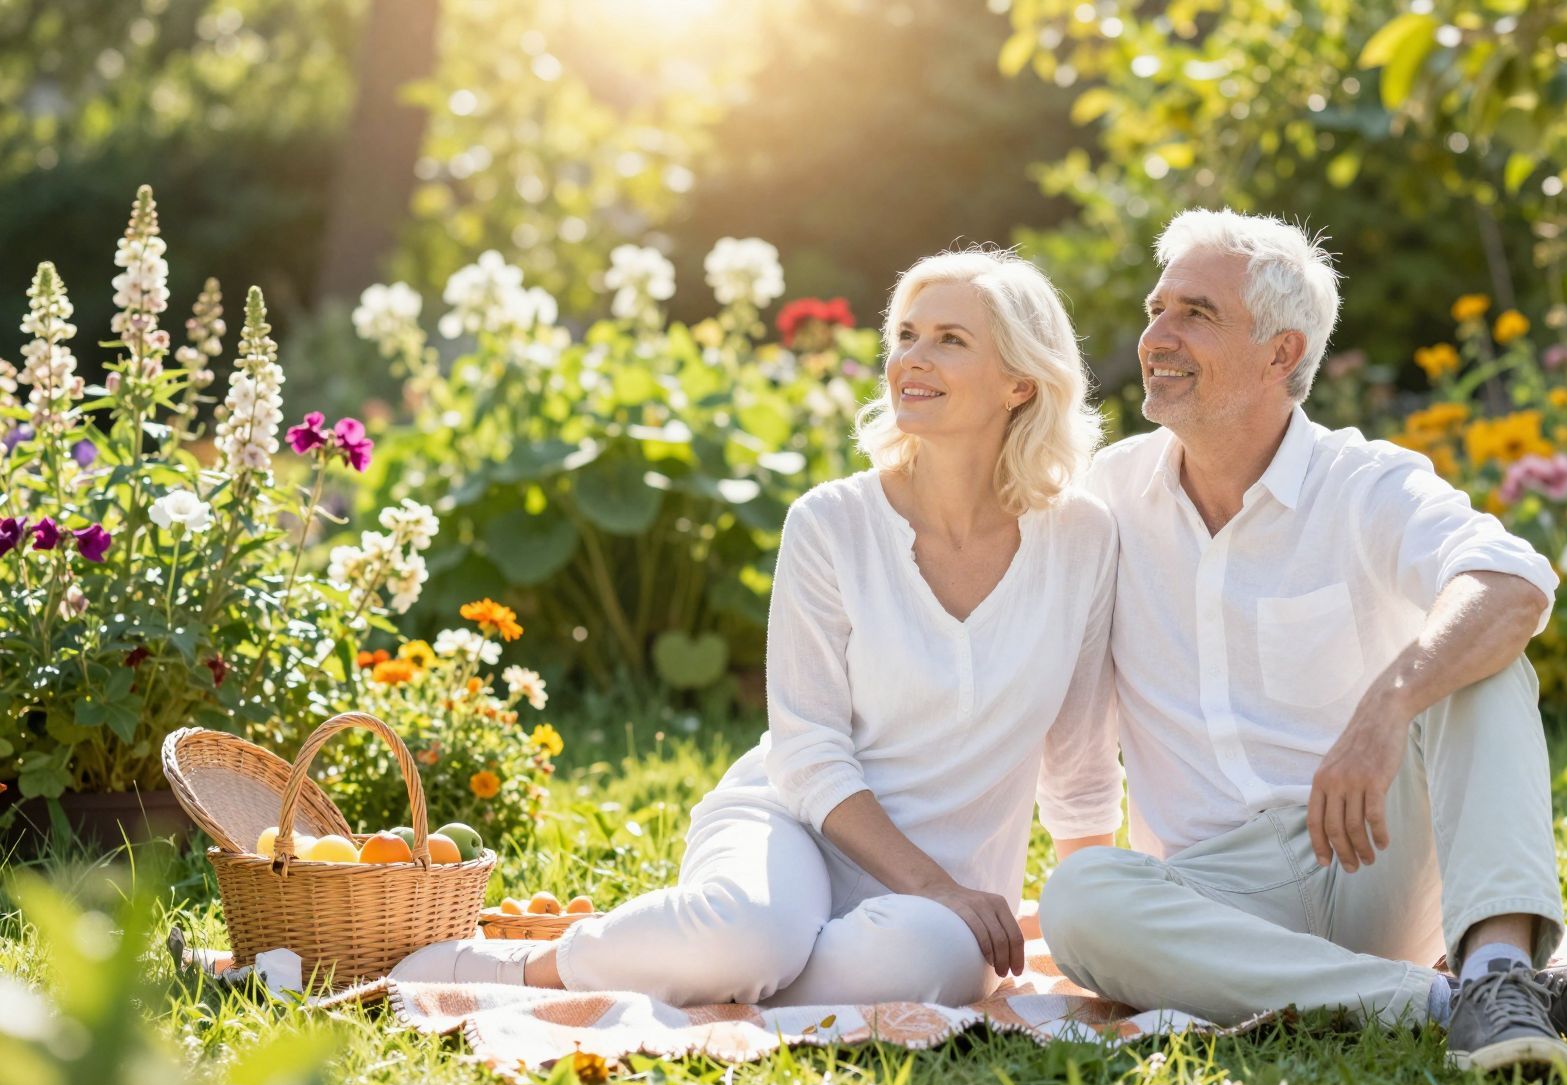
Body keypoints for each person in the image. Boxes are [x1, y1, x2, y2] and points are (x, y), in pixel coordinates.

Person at [394, 249, 1123, 1006]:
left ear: (1021, 382)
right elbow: (807, 754)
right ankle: (523, 971)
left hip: (936, 912)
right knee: (749, 934)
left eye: (950, 339)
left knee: (926, 962)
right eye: (906, 334)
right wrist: (935, 885)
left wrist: (1094, 939)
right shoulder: (833, 521)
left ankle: (716, 967)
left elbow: (1079, 763)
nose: (913, 357)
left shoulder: (1080, 539)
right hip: (794, 825)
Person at [1035, 209, 1567, 1073]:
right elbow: (1075, 702)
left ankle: (1500, 966)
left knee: (1485, 666)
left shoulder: (1365, 482)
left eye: (1195, 314)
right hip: (1218, 895)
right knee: (1079, 899)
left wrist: (1388, 705)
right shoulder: (1108, 495)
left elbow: (1512, 584)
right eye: (1156, 309)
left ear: (1282, 353)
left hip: (1371, 859)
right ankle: (1448, 1003)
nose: (1155, 337)